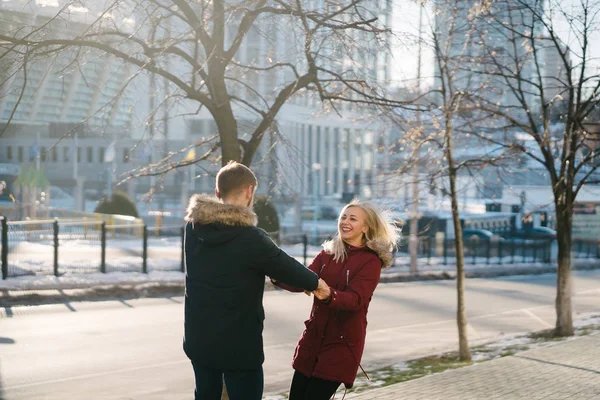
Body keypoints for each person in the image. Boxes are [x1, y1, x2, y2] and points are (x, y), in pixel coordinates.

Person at [183, 161, 329, 400]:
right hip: (239, 345)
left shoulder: (193, 228)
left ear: (217, 191)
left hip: (199, 340)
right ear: (250, 191)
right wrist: (318, 285)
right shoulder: (250, 238)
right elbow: (287, 268)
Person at [276, 199, 400, 400]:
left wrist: (328, 294)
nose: (345, 222)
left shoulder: (370, 261)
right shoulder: (328, 253)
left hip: (341, 347)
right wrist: (277, 275)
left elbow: (356, 300)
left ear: (365, 227)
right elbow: (304, 279)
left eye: (353, 218)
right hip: (313, 341)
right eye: (343, 217)